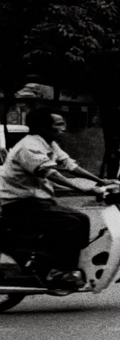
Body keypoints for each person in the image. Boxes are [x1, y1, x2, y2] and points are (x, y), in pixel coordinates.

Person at [0, 108, 109, 289]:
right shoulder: (29, 146)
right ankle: (59, 271)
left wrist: (100, 181)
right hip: (21, 204)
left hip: (37, 202)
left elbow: (70, 166)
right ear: (44, 126)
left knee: (81, 220)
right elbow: (51, 173)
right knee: (72, 223)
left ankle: (67, 267)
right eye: (58, 124)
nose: (63, 128)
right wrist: (84, 189)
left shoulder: (49, 144)